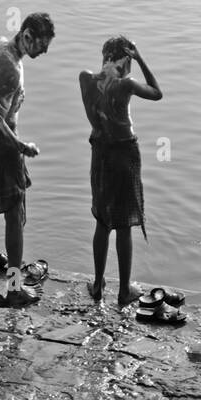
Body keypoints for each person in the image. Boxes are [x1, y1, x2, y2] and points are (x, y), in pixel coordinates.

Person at [0, 13, 55, 306]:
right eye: (41, 45)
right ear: (28, 35)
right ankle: (15, 288)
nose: (43, 52)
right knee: (14, 213)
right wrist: (21, 146)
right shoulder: (12, 70)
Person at [79, 35, 162, 306]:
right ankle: (124, 290)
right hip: (124, 153)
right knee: (124, 224)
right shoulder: (125, 84)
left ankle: (99, 284)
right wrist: (140, 58)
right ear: (125, 60)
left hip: (100, 153)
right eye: (130, 62)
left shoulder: (85, 79)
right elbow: (157, 92)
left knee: (102, 221)